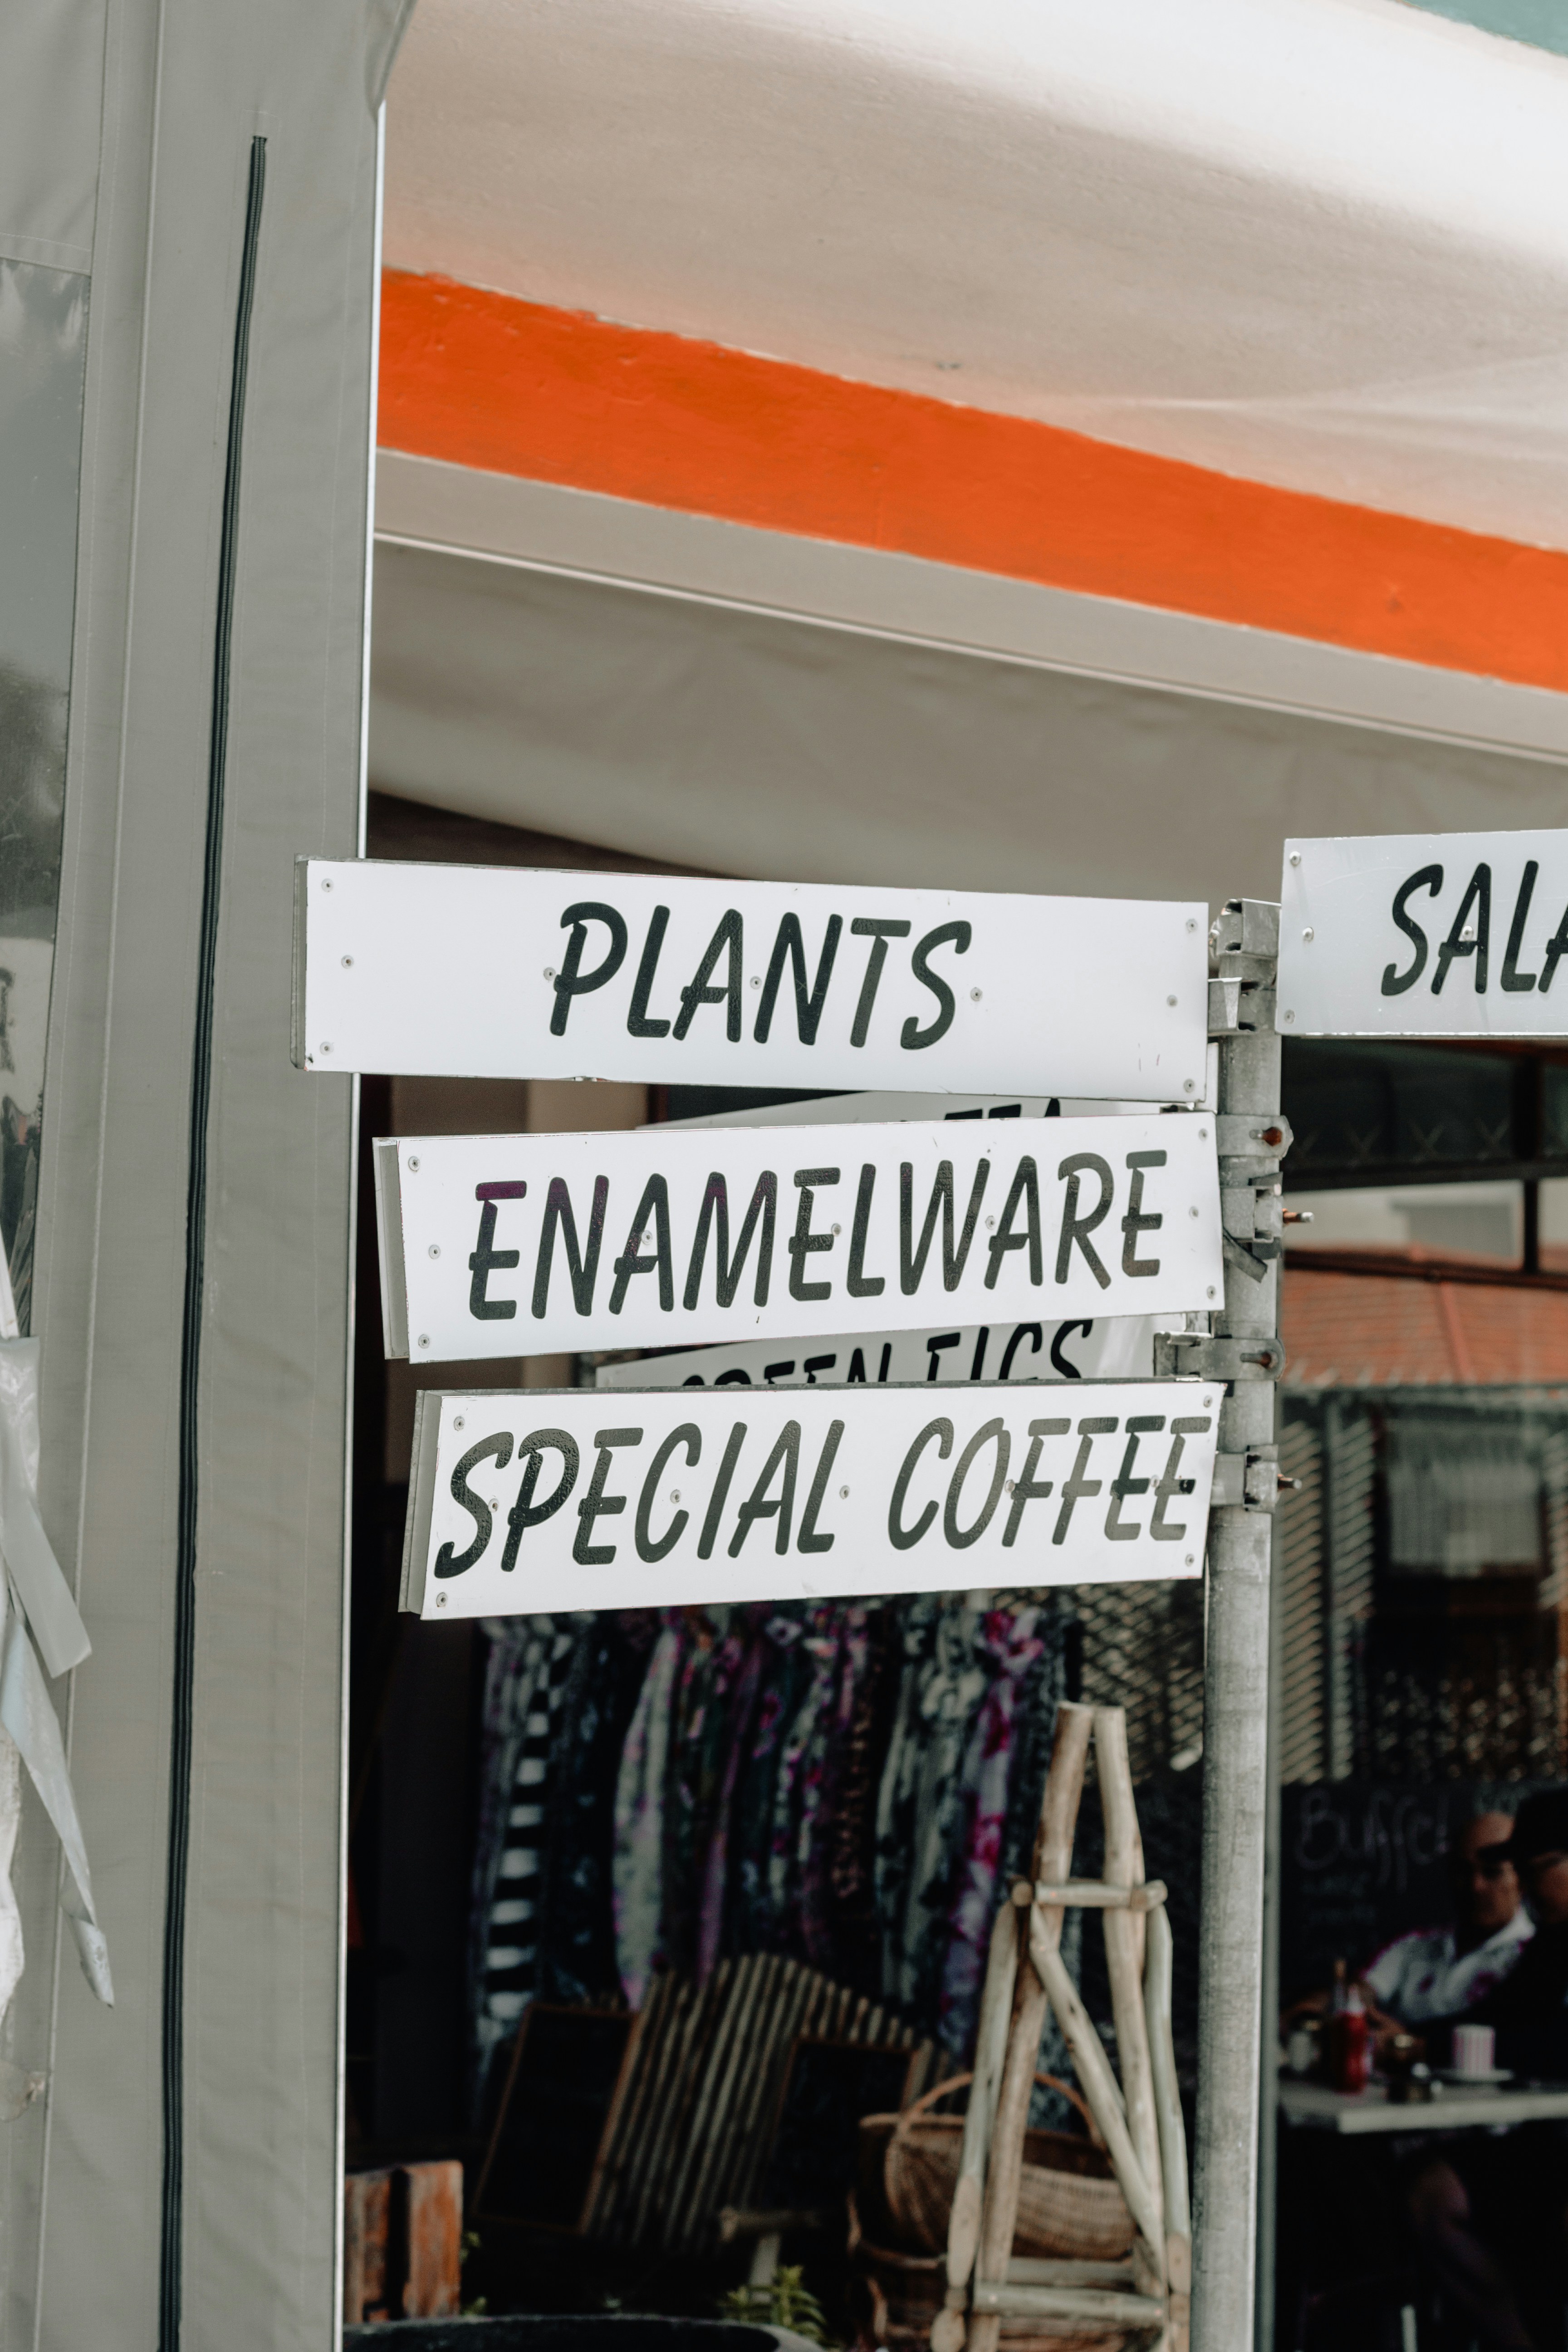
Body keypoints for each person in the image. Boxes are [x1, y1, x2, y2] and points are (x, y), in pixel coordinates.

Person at [1363, 1808, 1533, 2027]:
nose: (1476, 1887)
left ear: (1523, 1880)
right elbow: (1360, 1991)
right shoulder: (1415, 1945)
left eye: (1492, 1872)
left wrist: (1409, 2043)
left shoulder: (1536, 1960)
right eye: (1464, 1870)